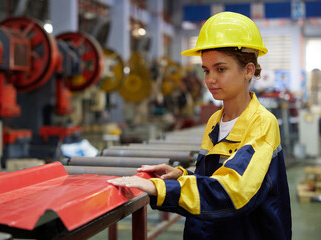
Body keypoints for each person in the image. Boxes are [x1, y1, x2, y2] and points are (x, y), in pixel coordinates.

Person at [108, 11, 292, 239]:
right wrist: (180, 175)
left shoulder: (262, 123)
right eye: (206, 70)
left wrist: (162, 189)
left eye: (220, 69)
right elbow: (215, 176)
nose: (210, 79)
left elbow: (235, 192)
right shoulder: (216, 120)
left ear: (248, 70)